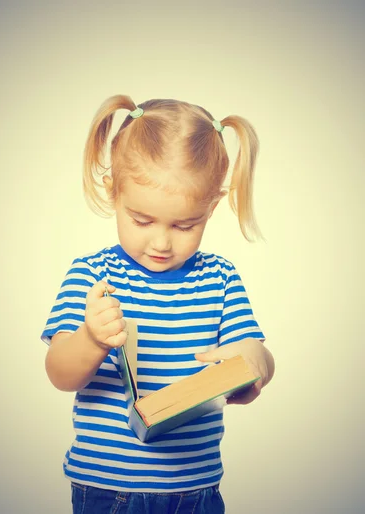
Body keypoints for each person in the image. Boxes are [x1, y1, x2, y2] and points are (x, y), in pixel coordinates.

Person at [41, 95, 275, 513]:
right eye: (142, 221)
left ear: (211, 208)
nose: (162, 243)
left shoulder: (220, 279)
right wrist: (93, 339)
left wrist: (255, 366)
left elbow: (253, 349)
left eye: (185, 225)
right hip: (107, 491)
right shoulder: (92, 275)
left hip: (197, 490)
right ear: (116, 194)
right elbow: (60, 372)